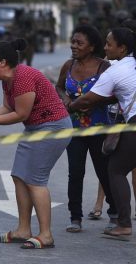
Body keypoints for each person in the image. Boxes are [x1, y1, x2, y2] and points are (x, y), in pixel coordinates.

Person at [0, 39, 72, 249]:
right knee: (19, 176)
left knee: (35, 180)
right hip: (36, 128)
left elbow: (20, 114)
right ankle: (23, 230)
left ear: (2, 62)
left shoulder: (23, 77)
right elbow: (6, 107)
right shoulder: (8, 79)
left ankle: (46, 235)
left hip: (53, 128)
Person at [70, 27, 136, 237]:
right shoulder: (132, 65)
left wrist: (69, 107)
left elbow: (90, 98)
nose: (106, 47)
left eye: (109, 44)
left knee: (115, 170)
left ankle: (123, 222)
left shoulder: (114, 70)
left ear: (122, 48)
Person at [56, 24, 117, 233]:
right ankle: (75, 218)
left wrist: (95, 101)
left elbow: (116, 94)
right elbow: (59, 86)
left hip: (99, 128)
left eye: (79, 43)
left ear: (91, 47)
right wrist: (65, 98)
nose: (73, 46)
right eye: (73, 41)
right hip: (73, 128)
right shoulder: (68, 65)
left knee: (104, 172)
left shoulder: (104, 68)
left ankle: (115, 214)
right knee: (75, 173)